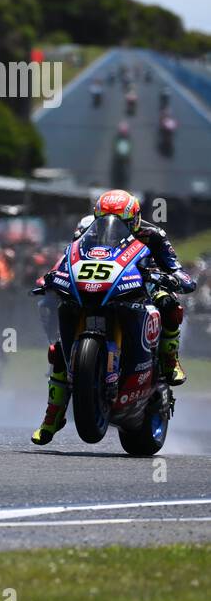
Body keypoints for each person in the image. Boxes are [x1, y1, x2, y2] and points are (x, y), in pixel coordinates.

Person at [32, 190, 196, 445]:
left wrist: (173, 278)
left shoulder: (153, 235)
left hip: (141, 288)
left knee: (169, 303)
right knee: (58, 345)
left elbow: (179, 271)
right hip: (99, 287)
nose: (113, 226)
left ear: (135, 219)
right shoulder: (87, 231)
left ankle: (169, 359)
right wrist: (50, 277)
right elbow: (67, 259)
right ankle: (53, 415)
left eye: (122, 221)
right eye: (106, 219)